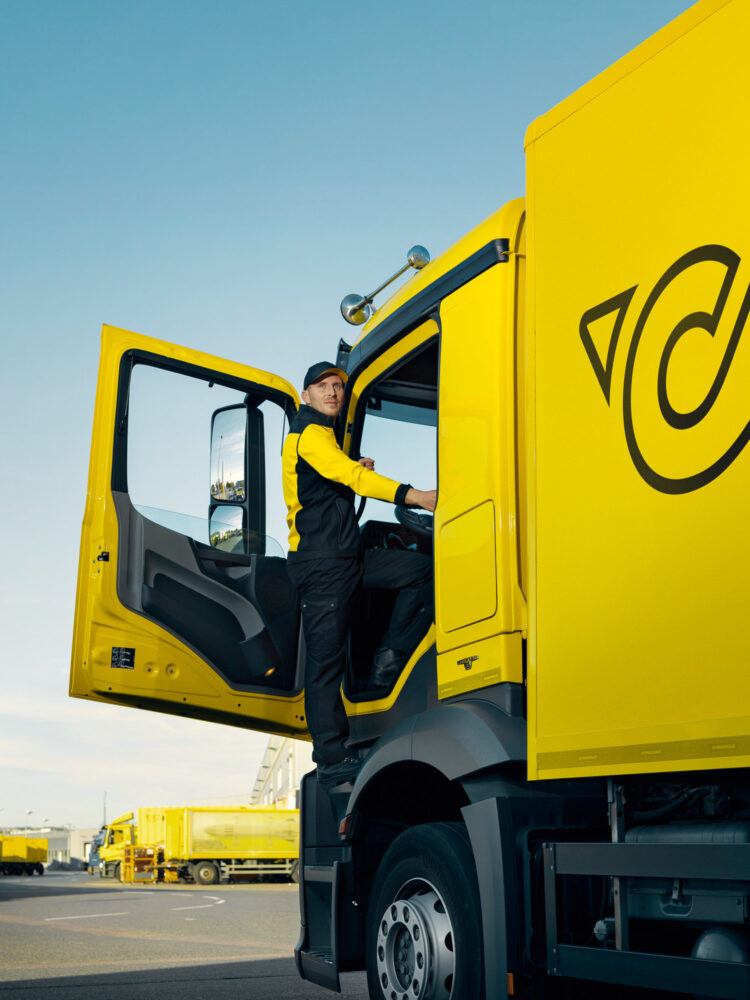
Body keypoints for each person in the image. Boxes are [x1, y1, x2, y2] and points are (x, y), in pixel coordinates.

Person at [282, 361, 436, 789]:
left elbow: (337, 474)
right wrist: (416, 496)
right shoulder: (307, 434)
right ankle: (332, 759)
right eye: (323, 386)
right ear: (306, 395)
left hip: (349, 557)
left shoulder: (324, 439)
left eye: (338, 386)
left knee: (422, 571)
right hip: (322, 565)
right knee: (325, 666)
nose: (333, 392)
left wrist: (352, 464)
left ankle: (389, 658)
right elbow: (348, 477)